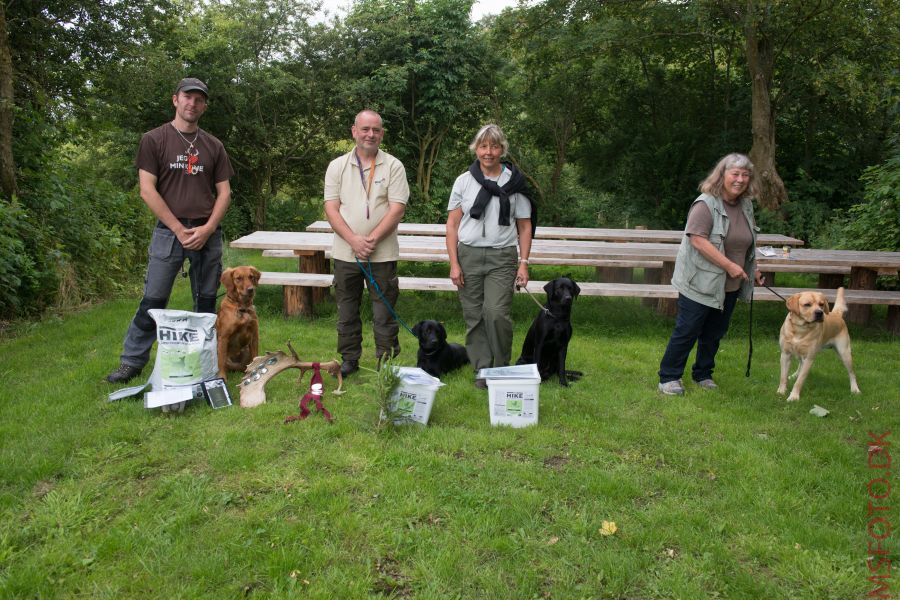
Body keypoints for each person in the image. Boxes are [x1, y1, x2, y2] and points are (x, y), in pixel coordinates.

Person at [106, 77, 234, 384]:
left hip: (207, 232)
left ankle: (206, 363)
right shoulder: (154, 140)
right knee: (153, 300)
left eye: (199, 99)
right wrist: (178, 229)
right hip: (168, 232)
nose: (193, 103)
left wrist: (208, 228)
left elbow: (225, 192)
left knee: (205, 302)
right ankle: (132, 362)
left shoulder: (213, 146)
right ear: (175, 100)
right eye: (187, 97)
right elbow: (147, 190)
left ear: (204, 105)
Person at [657, 153, 763, 396]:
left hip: (730, 285)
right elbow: (697, 241)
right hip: (700, 282)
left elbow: (743, 244)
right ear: (722, 175)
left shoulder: (746, 206)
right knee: (688, 330)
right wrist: (728, 266)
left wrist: (752, 269)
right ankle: (669, 377)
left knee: (714, 333)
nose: (740, 179)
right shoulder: (705, 204)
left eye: (745, 175)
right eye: (735, 174)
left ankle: (703, 374)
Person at [446, 124, 534, 389]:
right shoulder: (464, 181)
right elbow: (451, 225)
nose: (488, 152)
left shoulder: (515, 183)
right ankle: (482, 370)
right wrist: (454, 263)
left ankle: (501, 368)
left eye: (494, 146)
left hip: (502, 257)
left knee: (496, 313)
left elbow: (525, 226)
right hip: (468, 255)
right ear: (476, 149)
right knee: (474, 315)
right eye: (483, 146)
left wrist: (524, 264)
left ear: (502, 149)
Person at [324, 109, 410, 377]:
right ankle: (349, 360)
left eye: (376, 130)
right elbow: (331, 209)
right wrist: (353, 240)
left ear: (382, 133)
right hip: (345, 254)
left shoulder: (394, 166)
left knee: (384, 313)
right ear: (354, 131)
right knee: (346, 311)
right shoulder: (337, 166)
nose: (370, 134)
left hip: (381, 254)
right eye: (365, 129)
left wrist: (370, 240)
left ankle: (386, 363)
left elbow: (397, 209)